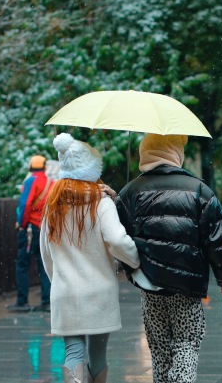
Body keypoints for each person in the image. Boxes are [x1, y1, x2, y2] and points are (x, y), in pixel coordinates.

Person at [115, 133, 222, 383]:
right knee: (186, 343)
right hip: (187, 284)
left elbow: (120, 239)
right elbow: (216, 241)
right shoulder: (200, 190)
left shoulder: (130, 191)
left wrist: (131, 268)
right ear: (175, 152)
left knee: (159, 348)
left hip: (149, 281)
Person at [40, 133, 141, 383]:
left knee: (73, 351)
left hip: (65, 291)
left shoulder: (53, 206)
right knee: (98, 353)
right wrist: (135, 260)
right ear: (91, 170)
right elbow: (117, 240)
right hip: (98, 292)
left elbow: (45, 252)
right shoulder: (101, 202)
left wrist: (59, 279)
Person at [7, 155, 53, 312]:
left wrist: (21, 223)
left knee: (22, 265)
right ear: (45, 167)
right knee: (44, 265)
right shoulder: (51, 183)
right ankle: (47, 302)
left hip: (30, 230)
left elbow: (25, 203)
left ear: (30, 168)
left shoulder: (31, 181)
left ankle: (22, 302)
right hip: (45, 230)